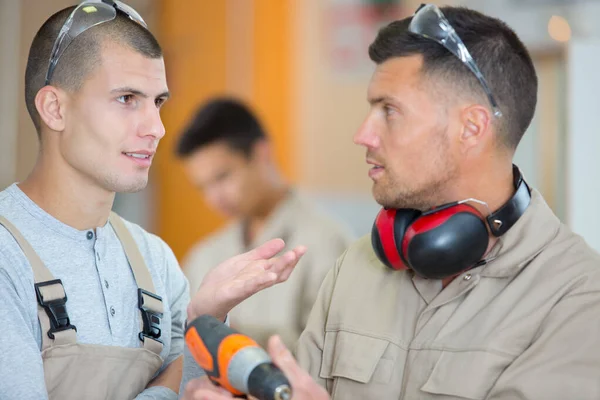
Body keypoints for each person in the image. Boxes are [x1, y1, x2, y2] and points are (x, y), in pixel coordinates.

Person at [185, 3, 600, 400]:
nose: (363, 134)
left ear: (471, 127)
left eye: (390, 110)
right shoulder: (356, 266)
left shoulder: (577, 298)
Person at [0, 2, 304, 400]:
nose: (157, 128)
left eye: (157, 102)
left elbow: (193, 389)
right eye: (127, 98)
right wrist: (162, 388)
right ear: (55, 109)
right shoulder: (7, 257)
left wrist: (203, 318)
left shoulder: (155, 261)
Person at [175, 98, 352, 348]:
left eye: (222, 177)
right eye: (203, 187)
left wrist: (238, 340)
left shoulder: (326, 242)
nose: (213, 199)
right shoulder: (206, 255)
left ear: (260, 153)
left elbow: (334, 353)